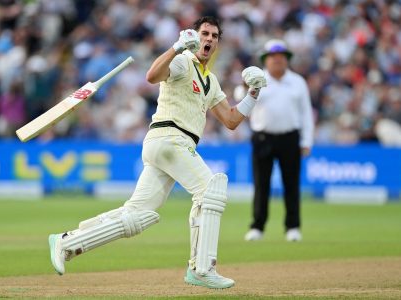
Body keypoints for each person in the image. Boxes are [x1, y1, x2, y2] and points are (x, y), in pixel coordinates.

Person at [48, 16, 266, 289]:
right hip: (170, 137)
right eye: (205, 34)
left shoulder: (211, 80)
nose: (209, 39)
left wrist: (253, 94)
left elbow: (231, 120)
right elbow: (152, 76)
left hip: (170, 146)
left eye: (214, 36)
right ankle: (202, 268)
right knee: (211, 190)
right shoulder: (182, 60)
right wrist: (177, 47)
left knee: (137, 215)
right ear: (194, 36)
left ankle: (67, 242)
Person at [242, 39, 314, 242]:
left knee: (291, 184)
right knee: (261, 184)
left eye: (281, 57)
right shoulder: (258, 79)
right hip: (263, 137)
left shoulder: (298, 82)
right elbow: (241, 99)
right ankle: (258, 226)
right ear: (266, 60)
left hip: (290, 138)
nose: (277, 61)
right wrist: (247, 85)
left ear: (286, 60)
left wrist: (307, 140)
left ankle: (293, 227)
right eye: (273, 58)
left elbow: (306, 113)